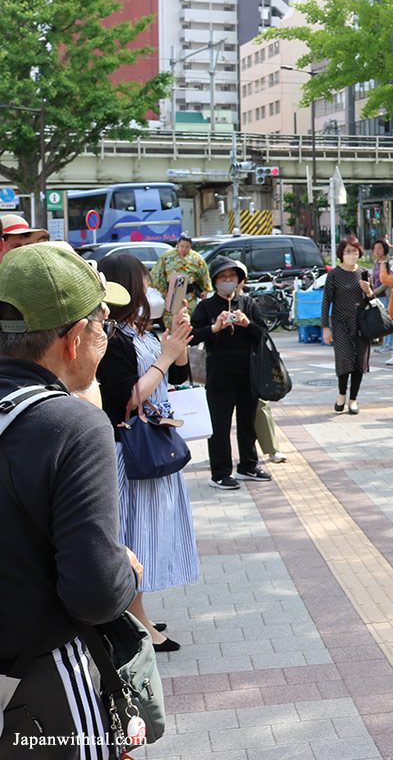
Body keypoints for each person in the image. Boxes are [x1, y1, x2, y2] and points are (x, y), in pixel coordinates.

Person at [0, 241, 141, 756]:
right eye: (102, 322)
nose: (107, 334)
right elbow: (96, 594)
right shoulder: (73, 426)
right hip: (40, 684)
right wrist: (126, 569)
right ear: (75, 338)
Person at [95, 254, 197, 653]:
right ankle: (137, 623)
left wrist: (177, 339)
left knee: (146, 532)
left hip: (154, 445)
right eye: (143, 279)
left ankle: (141, 614)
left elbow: (181, 377)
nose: (151, 286)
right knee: (134, 536)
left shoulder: (142, 331)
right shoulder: (111, 338)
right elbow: (124, 398)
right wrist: (165, 355)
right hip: (132, 451)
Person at [190, 255, 273, 488]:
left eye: (232, 277)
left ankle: (248, 465)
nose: (228, 281)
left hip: (248, 374)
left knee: (247, 422)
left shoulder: (248, 304)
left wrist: (247, 324)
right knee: (220, 426)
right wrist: (214, 327)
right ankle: (220, 472)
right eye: (223, 277)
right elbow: (193, 336)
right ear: (215, 281)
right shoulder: (206, 307)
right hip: (218, 376)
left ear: (239, 280)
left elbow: (264, 336)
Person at [322, 237, 375, 412]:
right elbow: (326, 302)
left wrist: (368, 291)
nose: (352, 254)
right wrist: (325, 328)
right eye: (348, 251)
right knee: (344, 360)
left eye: (355, 251)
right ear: (341, 254)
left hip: (361, 323)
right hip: (340, 323)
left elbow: (372, 300)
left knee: (359, 362)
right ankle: (341, 394)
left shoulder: (364, 272)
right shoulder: (334, 275)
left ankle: (353, 399)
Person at [149, 233, 212, 330]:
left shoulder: (196, 258)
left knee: (190, 320)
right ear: (178, 244)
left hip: (190, 294)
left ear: (190, 246)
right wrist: (162, 292)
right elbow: (157, 274)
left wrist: (205, 289)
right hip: (172, 292)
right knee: (171, 320)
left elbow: (204, 275)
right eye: (182, 246)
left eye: (187, 247)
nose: (184, 249)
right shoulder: (167, 256)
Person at [371, 239, 393, 355]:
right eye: (375, 249)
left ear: (385, 249)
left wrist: (377, 290)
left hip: (385, 295)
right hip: (378, 296)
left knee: (388, 319)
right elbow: (374, 279)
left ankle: (389, 344)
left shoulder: (388, 262)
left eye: (379, 248)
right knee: (382, 320)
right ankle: (385, 343)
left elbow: (388, 281)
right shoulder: (377, 263)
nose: (377, 251)